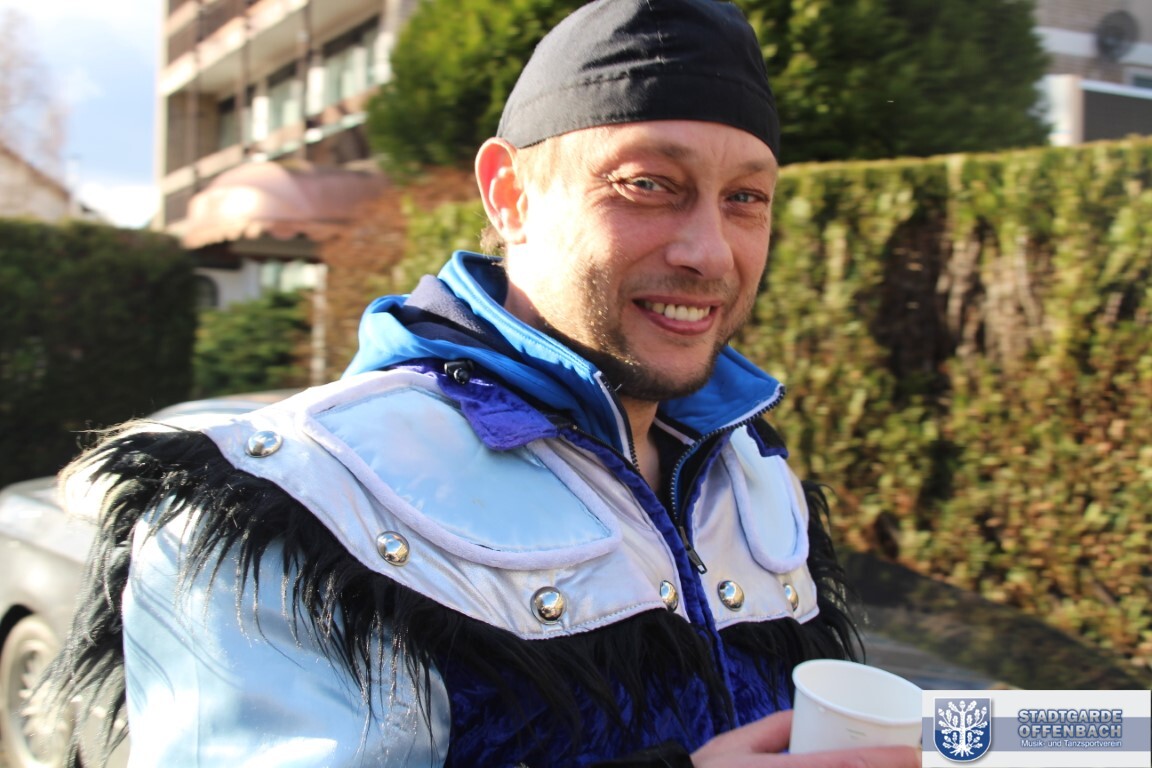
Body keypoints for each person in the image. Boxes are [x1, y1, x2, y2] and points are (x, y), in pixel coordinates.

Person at [47, 1, 921, 766]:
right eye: (648, 185)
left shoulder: (751, 475)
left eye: (746, 199)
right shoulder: (284, 508)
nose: (709, 252)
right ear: (510, 195)